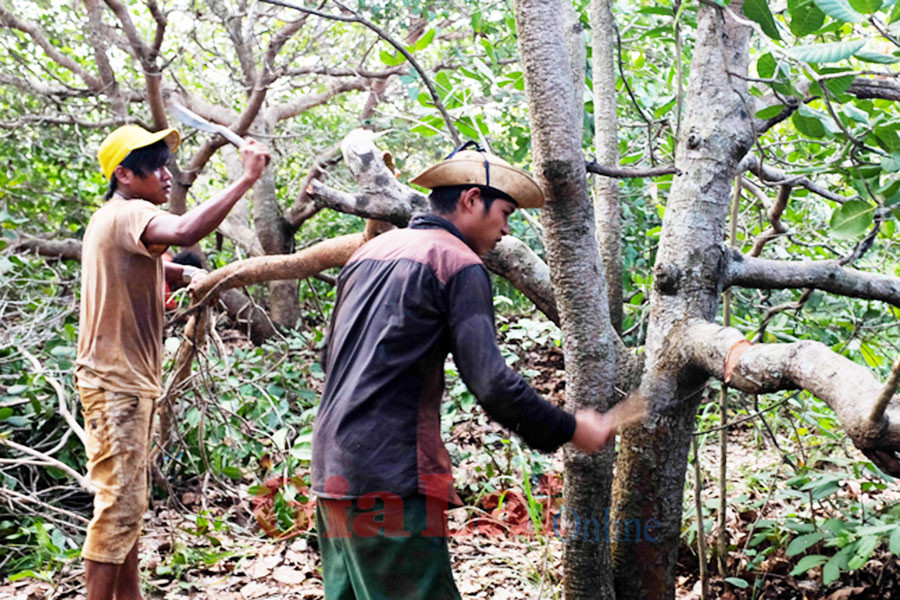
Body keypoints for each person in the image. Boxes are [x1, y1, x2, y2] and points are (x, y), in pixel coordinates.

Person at [311, 142, 618, 599]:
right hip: (390, 479)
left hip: (331, 470)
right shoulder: (458, 264)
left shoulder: (368, 255)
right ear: (472, 199)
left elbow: (327, 357)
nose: (505, 230)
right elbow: (492, 383)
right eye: (505, 213)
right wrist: (571, 428)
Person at [75, 124, 269, 600]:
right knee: (118, 506)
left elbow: (154, 261)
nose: (167, 176)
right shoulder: (128, 213)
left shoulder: (115, 220)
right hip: (114, 383)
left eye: (167, 165)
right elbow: (184, 229)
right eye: (156, 168)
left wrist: (187, 273)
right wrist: (246, 179)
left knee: (129, 503)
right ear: (123, 174)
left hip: (124, 382)